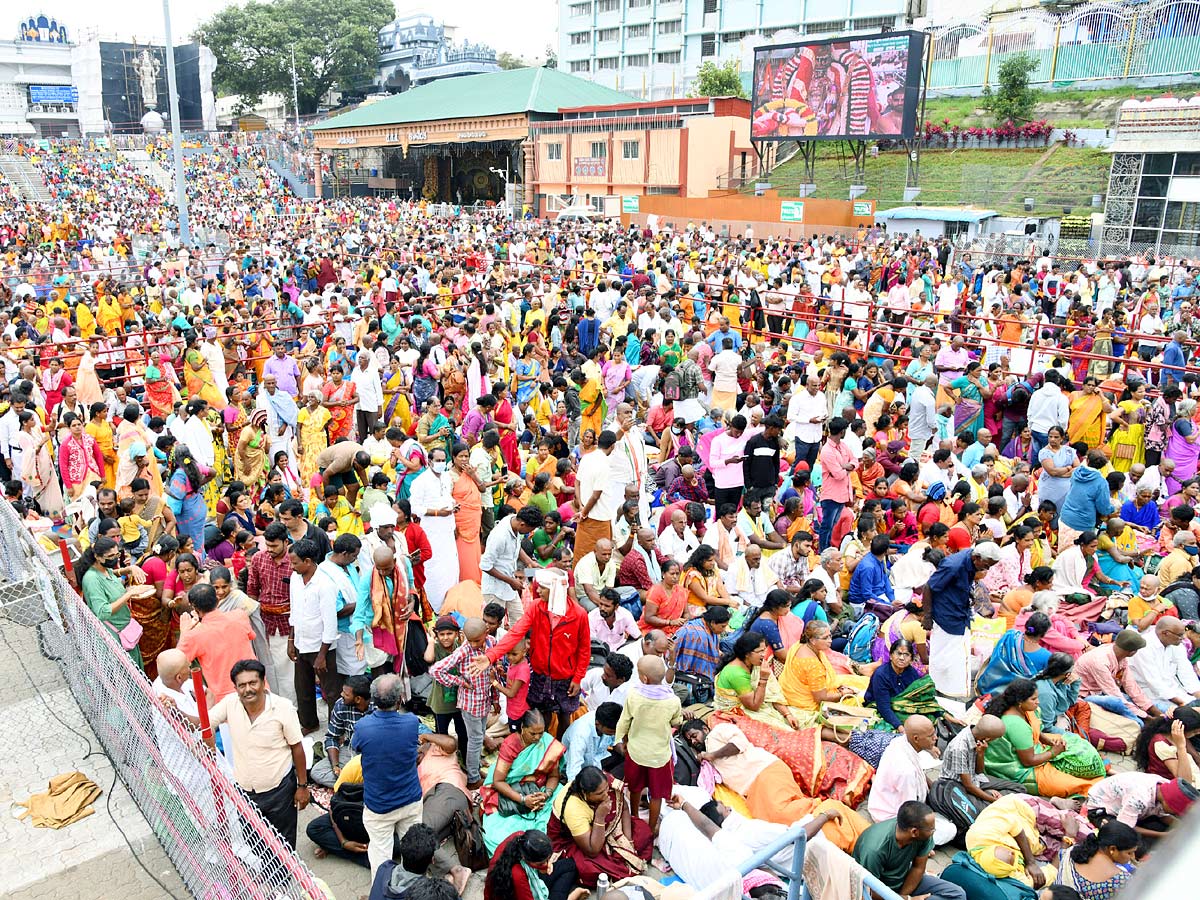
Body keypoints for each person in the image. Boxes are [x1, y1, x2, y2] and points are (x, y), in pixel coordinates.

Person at [475, 568, 591, 738]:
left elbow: (584, 649)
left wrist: (577, 677)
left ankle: (559, 749)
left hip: (565, 676)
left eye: (542, 587)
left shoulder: (579, 615)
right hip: (540, 673)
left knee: (565, 715)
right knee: (540, 713)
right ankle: (539, 751)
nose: (537, 590)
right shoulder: (536, 607)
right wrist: (490, 656)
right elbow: (516, 633)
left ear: (556, 589)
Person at [208, 659, 308, 848]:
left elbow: (297, 747)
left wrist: (302, 786)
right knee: (254, 843)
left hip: (279, 789)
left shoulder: (283, 707)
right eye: (242, 685)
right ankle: (268, 875)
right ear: (236, 688)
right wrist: (173, 708)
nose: (248, 689)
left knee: (283, 844)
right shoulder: (230, 703)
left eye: (252, 683)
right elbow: (204, 723)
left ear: (263, 682)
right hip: (245, 792)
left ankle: (283, 877)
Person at [350, 673, 423, 876]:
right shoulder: (411, 722)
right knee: (414, 853)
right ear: (400, 699)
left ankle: (382, 892)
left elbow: (355, 749)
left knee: (381, 858)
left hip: (379, 806)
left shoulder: (363, 727)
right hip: (410, 800)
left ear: (373, 700)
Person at [983, 678, 1106, 797]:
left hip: (1032, 748)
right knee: (1075, 785)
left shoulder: (1026, 710)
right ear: (1020, 701)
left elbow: (1036, 730)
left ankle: (1101, 766)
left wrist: (1048, 741)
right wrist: (1053, 752)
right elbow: (1028, 761)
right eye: (1033, 699)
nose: (1038, 701)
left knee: (1077, 742)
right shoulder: (1016, 725)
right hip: (1019, 770)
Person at [548, 765, 654, 887]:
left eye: (606, 789)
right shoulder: (573, 808)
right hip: (578, 842)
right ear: (585, 793)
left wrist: (627, 842)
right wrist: (600, 816)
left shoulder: (603, 781)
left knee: (643, 832)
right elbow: (592, 851)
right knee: (592, 869)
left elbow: (623, 808)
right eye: (600, 793)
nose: (606, 795)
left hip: (606, 829)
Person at [924, 542, 1003, 699]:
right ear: (976, 557)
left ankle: (947, 691)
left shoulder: (972, 560)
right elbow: (929, 588)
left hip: (960, 613)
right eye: (986, 565)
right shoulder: (954, 566)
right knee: (945, 658)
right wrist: (927, 617)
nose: (987, 569)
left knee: (954, 658)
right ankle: (942, 692)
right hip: (947, 616)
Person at [480, 710, 566, 853]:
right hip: (512, 789)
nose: (538, 737)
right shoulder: (510, 745)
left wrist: (546, 794)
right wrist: (523, 799)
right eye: (533, 733)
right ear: (522, 728)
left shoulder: (548, 742)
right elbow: (498, 781)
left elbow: (554, 776)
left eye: (541, 733)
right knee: (497, 837)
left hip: (540, 787)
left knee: (564, 805)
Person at [615, 656, 683, 833]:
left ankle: (635, 818)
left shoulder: (634, 696)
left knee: (635, 788)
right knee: (657, 794)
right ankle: (651, 828)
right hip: (659, 756)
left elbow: (624, 722)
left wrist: (621, 741)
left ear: (644, 678)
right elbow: (676, 721)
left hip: (636, 751)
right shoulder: (673, 700)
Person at [868, 715, 957, 845]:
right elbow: (908, 811)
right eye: (930, 735)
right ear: (916, 739)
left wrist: (935, 790)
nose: (936, 738)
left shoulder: (900, 742)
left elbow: (919, 772)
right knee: (950, 829)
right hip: (891, 818)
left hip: (881, 802)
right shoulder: (906, 772)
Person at [852, 801, 967, 900]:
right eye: (931, 829)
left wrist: (904, 896)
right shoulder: (874, 849)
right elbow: (869, 891)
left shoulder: (923, 834)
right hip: (878, 892)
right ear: (914, 832)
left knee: (957, 895)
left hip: (905, 882)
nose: (933, 831)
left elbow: (918, 868)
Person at [287, 537, 342, 734]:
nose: (291, 567)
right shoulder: (295, 579)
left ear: (308, 561)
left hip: (321, 647)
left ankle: (336, 730)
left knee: (332, 692)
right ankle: (309, 723)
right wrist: (291, 641)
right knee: (303, 689)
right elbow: (294, 610)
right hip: (301, 642)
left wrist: (321, 655)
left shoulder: (325, 584)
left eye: (295, 563)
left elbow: (330, 623)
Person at [175, 582, 256, 703]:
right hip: (257, 687)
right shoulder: (239, 615)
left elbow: (174, 663)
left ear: (194, 608)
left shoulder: (194, 635)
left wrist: (184, 633)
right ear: (217, 600)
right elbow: (251, 636)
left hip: (227, 700)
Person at [311, 675, 375, 788]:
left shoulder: (378, 706)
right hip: (352, 750)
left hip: (376, 754)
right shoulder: (340, 705)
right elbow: (332, 737)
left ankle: (352, 785)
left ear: (358, 699)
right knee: (317, 772)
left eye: (346, 694)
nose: (341, 695)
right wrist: (335, 766)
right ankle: (364, 785)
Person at [485, 829, 585, 900]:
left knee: (570, 865)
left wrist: (546, 864)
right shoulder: (517, 874)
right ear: (525, 859)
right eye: (541, 863)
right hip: (512, 893)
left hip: (526, 881)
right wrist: (572, 897)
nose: (546, 865)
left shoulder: (521, 839)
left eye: (548, 860)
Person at [1127, 616, 1200, 711]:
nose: (1183, 638)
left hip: (1177, 693)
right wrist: (1184, 705)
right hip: (1151, 696)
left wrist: (1197, 694)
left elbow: (1186, 672)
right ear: (1165, 633)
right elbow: (1154, 683)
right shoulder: (1144, 648)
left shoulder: (1176, 644)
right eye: (1179, 635)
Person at [1056, 821, 1138, 900]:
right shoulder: (1120, 880)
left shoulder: (1071, 852)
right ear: (1112, 849)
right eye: (1129, 853)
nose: (1132, 857)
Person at [562, 701, 622, 781]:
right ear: (598, 724)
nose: (614, 734)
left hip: (598, 759)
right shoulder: (581, 734)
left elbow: (615, 741)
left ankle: (607, 781)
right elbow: (574, 769)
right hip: (580, 766)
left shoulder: (606, 720)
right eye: (611, 732)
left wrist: (623, 751)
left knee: (629, 761)